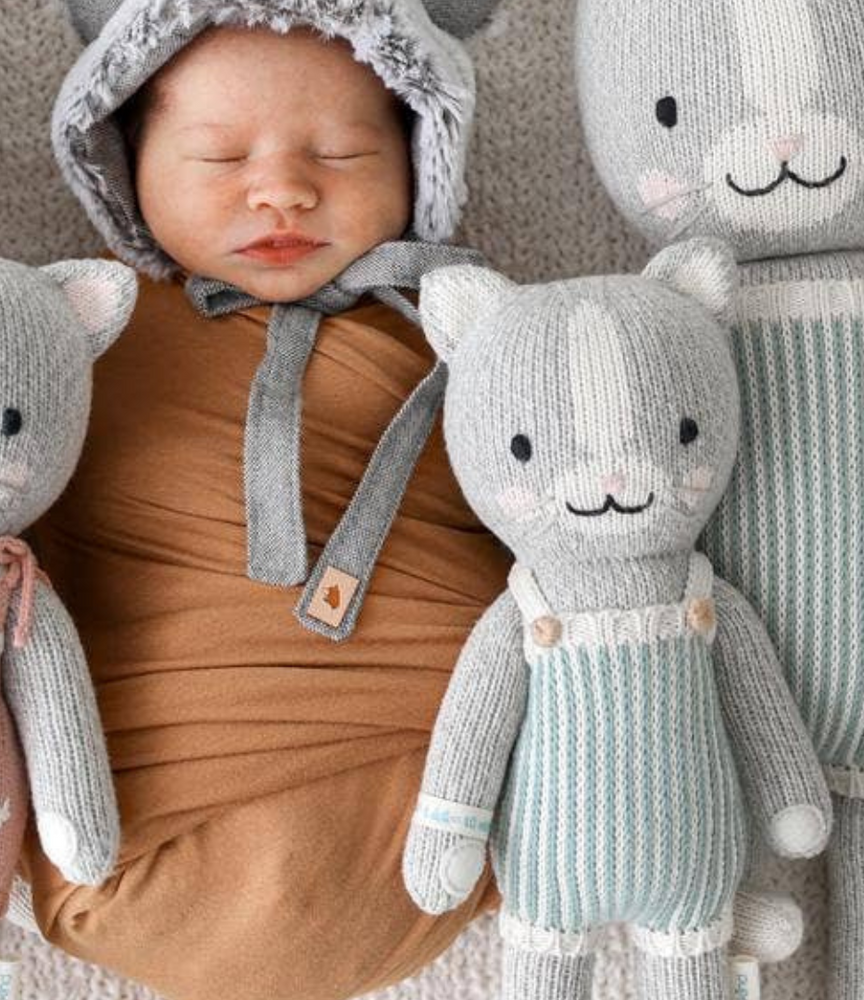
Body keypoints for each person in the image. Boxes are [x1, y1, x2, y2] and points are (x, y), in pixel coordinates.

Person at [24, 4, 508, 999]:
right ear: (122, 165)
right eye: (218, 158)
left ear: (423, 160)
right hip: (116, 821)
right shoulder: (63, 336)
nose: (283, 189)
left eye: (340, 152)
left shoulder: (474, 330)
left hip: (458, 807)